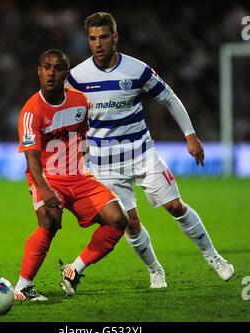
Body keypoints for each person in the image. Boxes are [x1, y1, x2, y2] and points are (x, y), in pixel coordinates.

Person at [65, 12, 234, 290]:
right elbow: (67, 114)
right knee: (130, 224)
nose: (98, 44)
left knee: (175, 206)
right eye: (92, 38)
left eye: (104, 37)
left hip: (142, 155)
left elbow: (168, 97)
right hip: (104, 164)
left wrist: (190, 135)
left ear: (115, 37)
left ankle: (214, 258)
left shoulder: (136, 70)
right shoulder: (77, 77)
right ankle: (155, 271)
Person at [14, 49, 128, 300]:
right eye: (46, 67)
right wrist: (44, 188)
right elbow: (31, 159)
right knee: (49, 222)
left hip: (78, 176)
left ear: (66, 73)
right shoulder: (31, 111)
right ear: (39, 71)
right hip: (46, 176)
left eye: (57, 68)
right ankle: (23, 286)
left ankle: (74, 270)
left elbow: (82, 135)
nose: (51, 73)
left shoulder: (79, 101)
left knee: (118, 220)